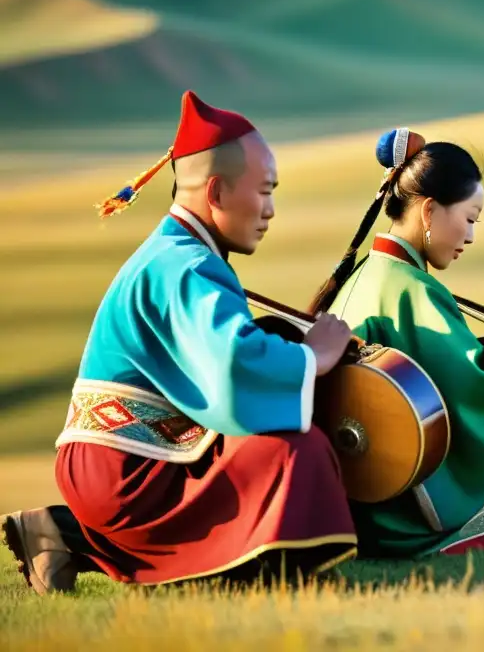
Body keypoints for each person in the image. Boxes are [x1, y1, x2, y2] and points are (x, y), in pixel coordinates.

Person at [1, 91, 358, 594]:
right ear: (215, 192)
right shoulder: (187, 266)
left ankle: (62, 534)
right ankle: (249, 566)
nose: (271, 211)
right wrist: (312, 356)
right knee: (297, 452)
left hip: (125, 458)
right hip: (124, 467)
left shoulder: (179, 252)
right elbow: (234, 366)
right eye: (264, 191)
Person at [308, 128, 484, 557]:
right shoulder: (413, 289)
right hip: (402, 503)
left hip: (367, 484)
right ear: (429, 211)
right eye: (469, 219)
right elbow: (474, 387)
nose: (470, 237)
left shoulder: (367, 276)